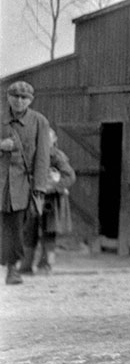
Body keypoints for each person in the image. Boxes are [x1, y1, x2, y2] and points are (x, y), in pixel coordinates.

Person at [1, 81, 51, 285]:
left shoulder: (39, 122)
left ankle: (12, 269)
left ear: (31, 100)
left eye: (24, 98)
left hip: (22, 185)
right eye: (15, 96)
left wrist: (39, 187)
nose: (19, 101)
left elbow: (43, 157)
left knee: (16, 228)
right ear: (8, 98)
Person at [22, 128, 76, 274]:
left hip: (52, 202)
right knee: (29, 231)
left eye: (47, 139)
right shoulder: (30, 156)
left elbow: (69, 176)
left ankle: (45, 266)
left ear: (54, 140)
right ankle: (26, 265)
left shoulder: (57, 157)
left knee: (48, 232)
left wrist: (52, 187)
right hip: (34, 200)